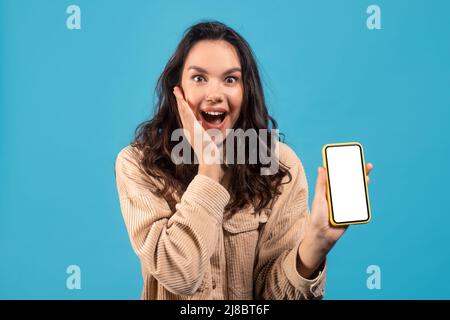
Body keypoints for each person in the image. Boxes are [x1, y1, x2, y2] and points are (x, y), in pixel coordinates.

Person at [115, 20, 374, 300]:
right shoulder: (137, 164)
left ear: (245, 91)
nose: (215, 94)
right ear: (177, 90)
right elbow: (180, 274)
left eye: (230, 79)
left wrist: (315, 246)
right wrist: (209, 169)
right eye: (199, 78)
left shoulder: (279, 165)